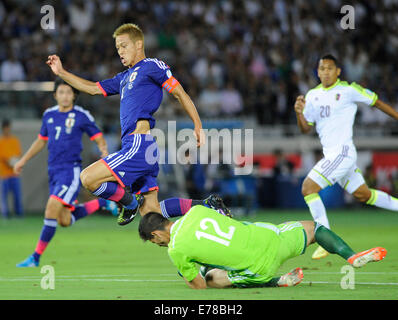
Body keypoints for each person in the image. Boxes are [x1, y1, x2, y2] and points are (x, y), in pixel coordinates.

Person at [45, 23, 212, 226]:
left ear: (139, 44)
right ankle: (207, 205)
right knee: (153, 215)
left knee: (88, 178)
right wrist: (61, 72)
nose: (120, 52)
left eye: (124, 46)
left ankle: (129, 203)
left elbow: (179, 93)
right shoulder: (123, 78)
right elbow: (92, 88)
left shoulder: (152, 66)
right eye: (117, 48)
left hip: (138, 145)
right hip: (140, 148)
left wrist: (197, 125)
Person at [294, 54, 398, 260]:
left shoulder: (349, 91)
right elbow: (306, 129)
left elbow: (376, 102)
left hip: (342, 152)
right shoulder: (312, 96)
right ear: (318, 71)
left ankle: (325, 237)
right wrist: (298, 113)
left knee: (308, 188)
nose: (325, 72)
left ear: (338, 71)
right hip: (334, 155)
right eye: (322, 69)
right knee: (363, 194)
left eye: (330, 68)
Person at [138, 205, 386, 289]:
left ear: (157, 233)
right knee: (315, 229)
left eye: (153, 240)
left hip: (258, 267)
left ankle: (275, 281)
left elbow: (200, 286)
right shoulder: (196, 210)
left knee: (213, 277)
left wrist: (191, 272)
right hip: (268, 236)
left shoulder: (175, 249)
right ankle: (352, 256)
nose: (157, 244)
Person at [15, 79, 118, 267]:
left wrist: (103, 150)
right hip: (53, 171)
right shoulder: (49, 115)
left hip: (70, 171)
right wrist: (23, 160)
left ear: (74, 96)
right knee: (63, 220)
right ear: (55, 95)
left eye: (69, 92)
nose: (65, 96)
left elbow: (98, 136)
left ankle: (35, 257)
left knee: (51, 207)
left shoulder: (81, 115)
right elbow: (40, 140)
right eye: (61, 92)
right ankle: (102, 202)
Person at [0, 119, 23, 218]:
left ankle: (19, 214)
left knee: (17, 195)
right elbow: (2, 156)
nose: (7, 130)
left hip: (14, 173)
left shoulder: (15, 140)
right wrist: (9, 161)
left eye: (8, 128)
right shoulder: (1, 141)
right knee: (4, 196)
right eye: (6, 128)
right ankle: (5, 214)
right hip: (4, 174)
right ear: (3, 129)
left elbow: (18, 154)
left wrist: (14, 162)